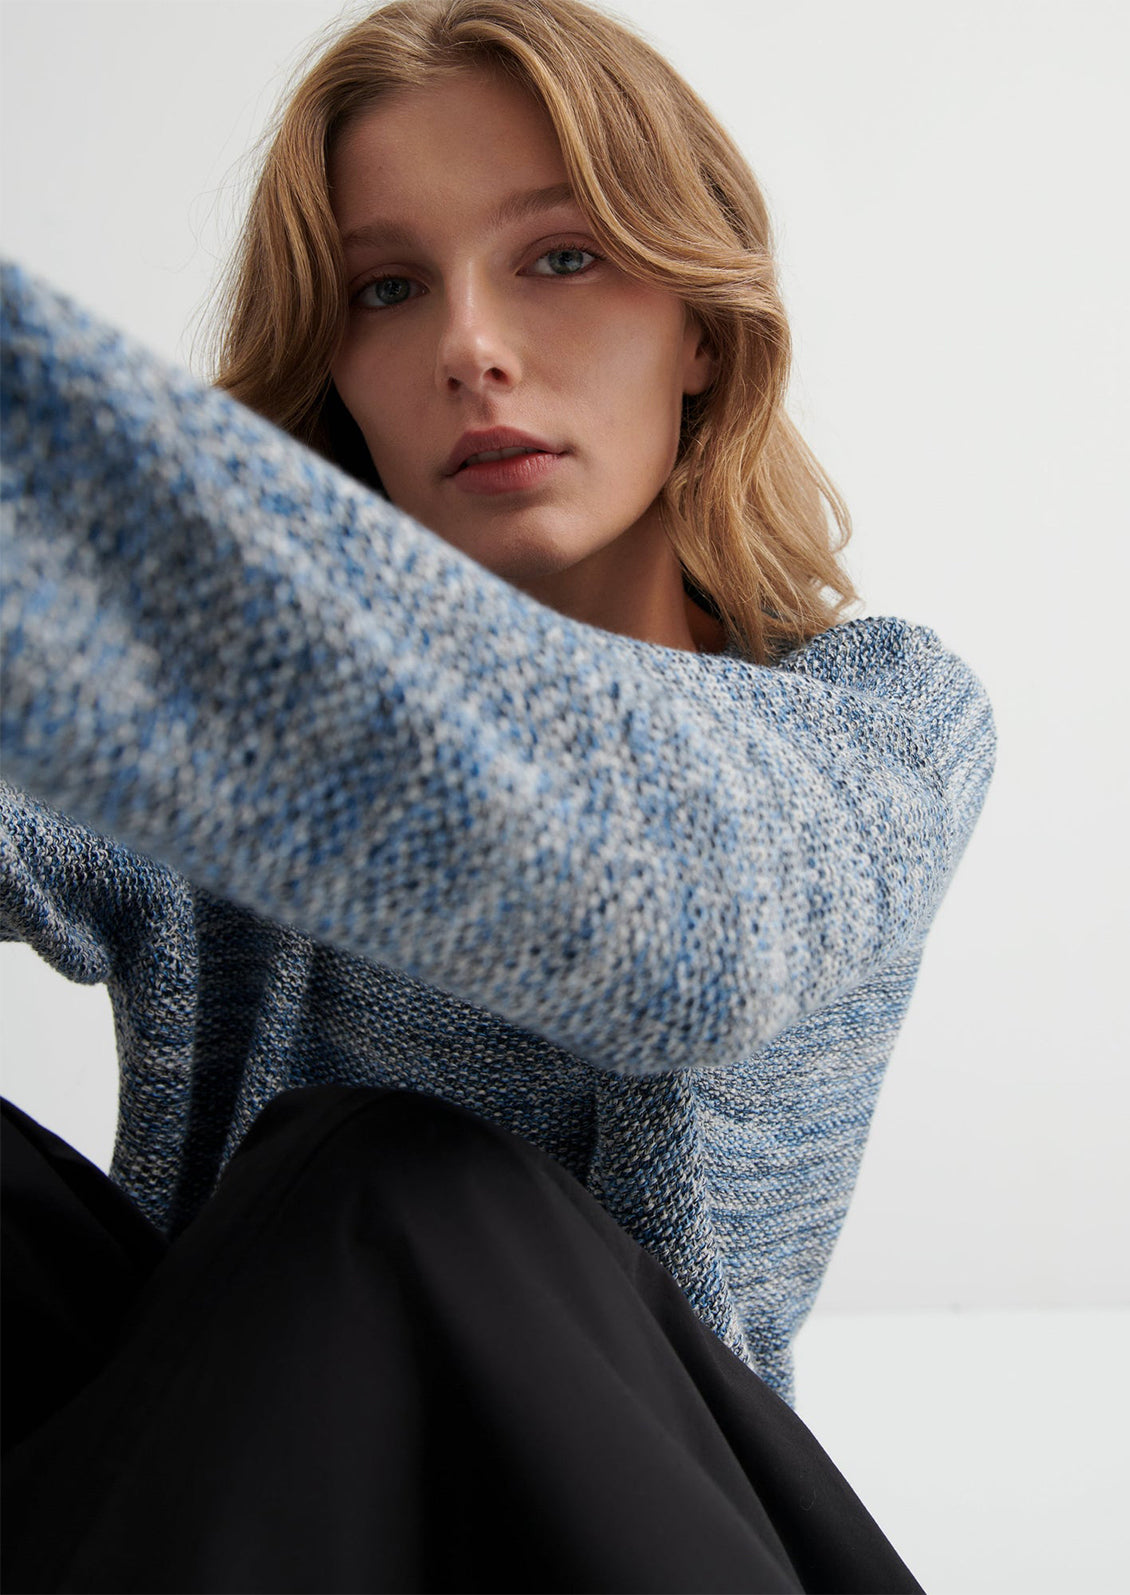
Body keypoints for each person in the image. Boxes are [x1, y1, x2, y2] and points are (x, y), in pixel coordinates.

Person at [0, 1, 995, 1590]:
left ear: (703, 329)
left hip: (619, 1529)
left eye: (558, 258)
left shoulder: (871, 719)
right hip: (209, 1497)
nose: (467, 342)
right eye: (386, 289)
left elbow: (684, 921)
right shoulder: (212, 745)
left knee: (391, 1178)